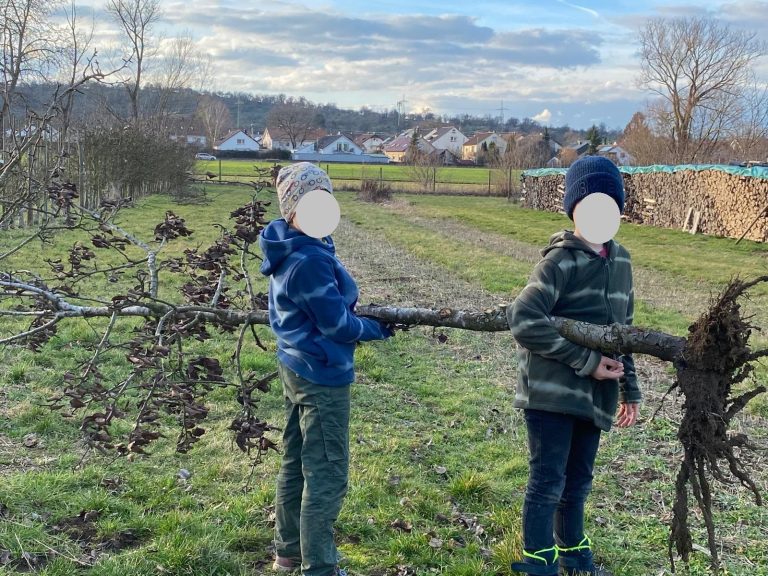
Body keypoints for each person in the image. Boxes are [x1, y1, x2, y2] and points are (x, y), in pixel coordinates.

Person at [507, 155, 641, 576]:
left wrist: (629, 388)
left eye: (609, 204)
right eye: (590, 204)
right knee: (548, 482)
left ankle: (575, 555)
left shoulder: (621, 262)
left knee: (578, 482)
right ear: (574, 209)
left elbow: (624, 331)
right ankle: (539, 562)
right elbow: (523, 317)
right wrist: (586, 361)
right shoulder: (560, 260)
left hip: (595, 396)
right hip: (551, 394)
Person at [259, 162, 392, 576]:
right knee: (327, 470)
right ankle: (319, 566)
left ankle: (288, 553)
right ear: (292, 210)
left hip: (295, 366)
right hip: (320, 374)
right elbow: (336, 324)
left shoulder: (289, 248)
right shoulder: (309, 260)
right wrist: (375, 329)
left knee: (296, 459)